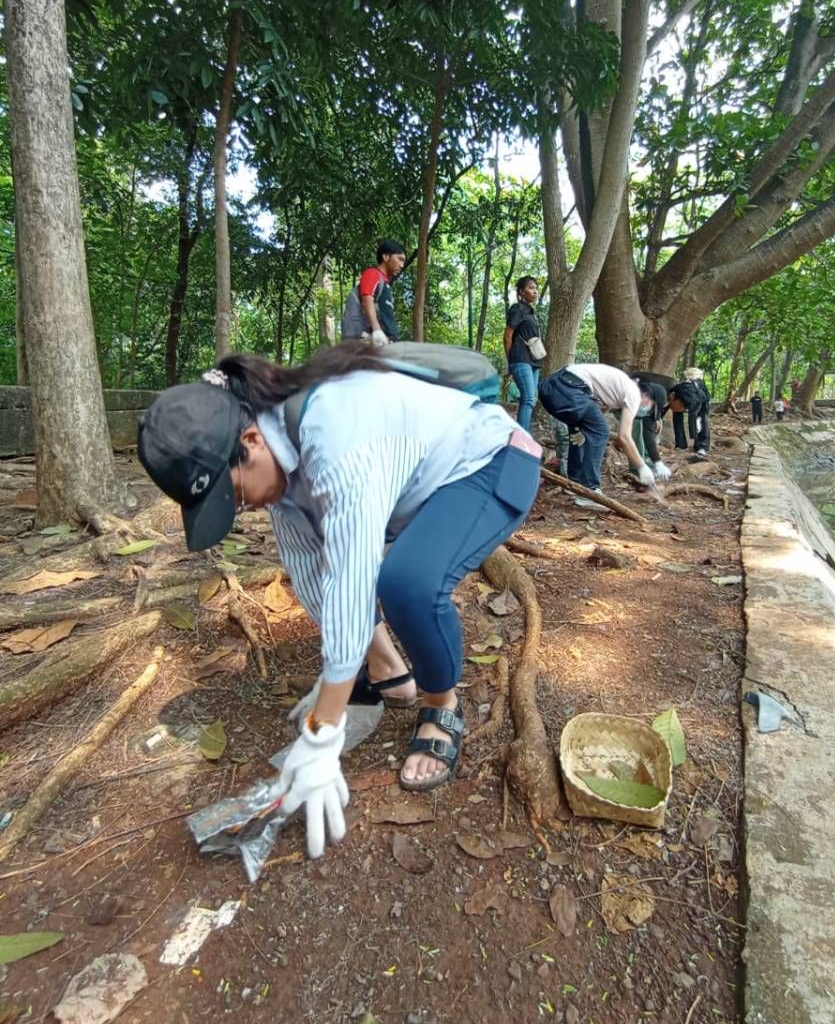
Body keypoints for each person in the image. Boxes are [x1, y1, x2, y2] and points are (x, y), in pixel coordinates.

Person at [137, 343, 540, 859]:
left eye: (234, 495)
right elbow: (312, 573)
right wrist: (342, 679)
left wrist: (322, 731)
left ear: (252, 440)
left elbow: (352, 576)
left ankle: (442, 705)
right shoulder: (279, 466)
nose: (242, 508)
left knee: (408, 583)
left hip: (492, 461)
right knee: (362, 590)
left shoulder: (335, 432)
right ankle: (393, 673)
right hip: (426, 487)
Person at [538, 362, 658, 491]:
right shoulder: (634, 393)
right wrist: (642, 467)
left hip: (549, 388)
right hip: (569, 389)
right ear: (646, 395)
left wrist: (584, 430)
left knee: (581, 433)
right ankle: (590, 488)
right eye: (649, 404)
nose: (646, 408)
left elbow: (596, 414)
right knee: (601, 432)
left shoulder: (617, 388)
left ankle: (574, 484)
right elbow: (624, 437)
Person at [340, 239, 406, 344]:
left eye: (403, 261)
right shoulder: (372, 274)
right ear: (386, 257)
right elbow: (367, 299)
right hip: (368, 340)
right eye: (400, 259)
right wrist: (377, 330)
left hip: (384, 341)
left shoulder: (385, 284)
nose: (402, 265)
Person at [504, 275, 545, 432]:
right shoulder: (517, 309)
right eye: (530, 288)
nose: (535, 291)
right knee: (528, 398)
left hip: (533, 361)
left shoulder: (531, 312)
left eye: (535, 288)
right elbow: (508, 335)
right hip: (520, 359)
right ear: (521, 292)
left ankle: (522, 436)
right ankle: (522, 440)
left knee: (531, 399)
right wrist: (511, 360)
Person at [671, 366, 711, 457]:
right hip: (695, 403)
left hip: (694, 403)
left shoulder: (685, 384)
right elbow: (707, 398)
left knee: (699, 421)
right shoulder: (698, 384)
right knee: (701, 422)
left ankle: (681, 445)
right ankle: (701, 446)